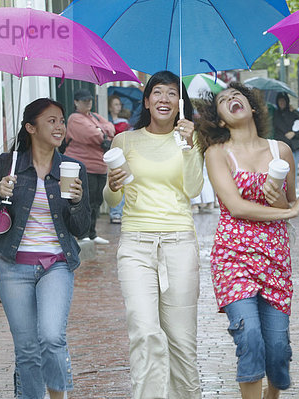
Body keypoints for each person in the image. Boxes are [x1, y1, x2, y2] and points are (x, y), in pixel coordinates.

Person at [0, 98, 90, 399]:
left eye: (62, 120)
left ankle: (59, 396)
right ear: (30, 127)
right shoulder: (7, 164)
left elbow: (82, 228)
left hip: (57, 264)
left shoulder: (73, 168)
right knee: (26, 348)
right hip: (14, 267)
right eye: (51, 120)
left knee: (51, 337)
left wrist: (76, 202)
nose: (60, 126)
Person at [197, 82, 299, 399]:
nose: (231, 99)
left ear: (253, 107)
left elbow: (287, 201)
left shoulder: (280, 151)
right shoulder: (217, 153)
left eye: (237, 95)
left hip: (275, 259)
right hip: (233, 258)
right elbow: (236, 206)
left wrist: (285, 205)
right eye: (222, 100)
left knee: (278, 348)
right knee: (250, 337)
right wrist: (289, 213)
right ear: (218, 119)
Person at [103, 71, 204, 399]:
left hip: (179, 243)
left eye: (172, 93)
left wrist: (189, 147)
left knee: (181, 340)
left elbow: (193, 188)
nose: (164, 98)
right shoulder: (125, 141)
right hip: (136, 245)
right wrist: (113, 186)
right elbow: (111, 200)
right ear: (146, 101)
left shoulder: (191, 139)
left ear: (180, 103)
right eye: (157, 93)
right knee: (144, 333)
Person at [64, 88, 115, 244]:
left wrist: (101, 130)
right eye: (84, 101)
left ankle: (92, 232)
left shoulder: (95, 116)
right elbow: (92, 135)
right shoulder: (75, 118)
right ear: (76, 102)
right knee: (84, 201)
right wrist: (102, 131)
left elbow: (111, 128)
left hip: (100, 165)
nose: (88, 103)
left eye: (90, 100)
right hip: (84, 166)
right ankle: (83, 233)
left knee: (96, 201)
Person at [107, 95, 132, 224]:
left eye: (119, 104)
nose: (118, 107)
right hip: (107, 155)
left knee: (122, 181)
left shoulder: (124, 121)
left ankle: (118, 212)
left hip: (120, 155)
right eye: (115, 104)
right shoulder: (104, 119)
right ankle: (114, 212)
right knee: (113, 183)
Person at [273, 92, 299, 183]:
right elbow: (275, 131)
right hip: (281, 148)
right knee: (281, 174)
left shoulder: (293, 112)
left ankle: (293, 195)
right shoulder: (275, 114)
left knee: (292, 172)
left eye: (283, 101)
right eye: (280, 101)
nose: (282, 103)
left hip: (294, 147)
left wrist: (294, 134)